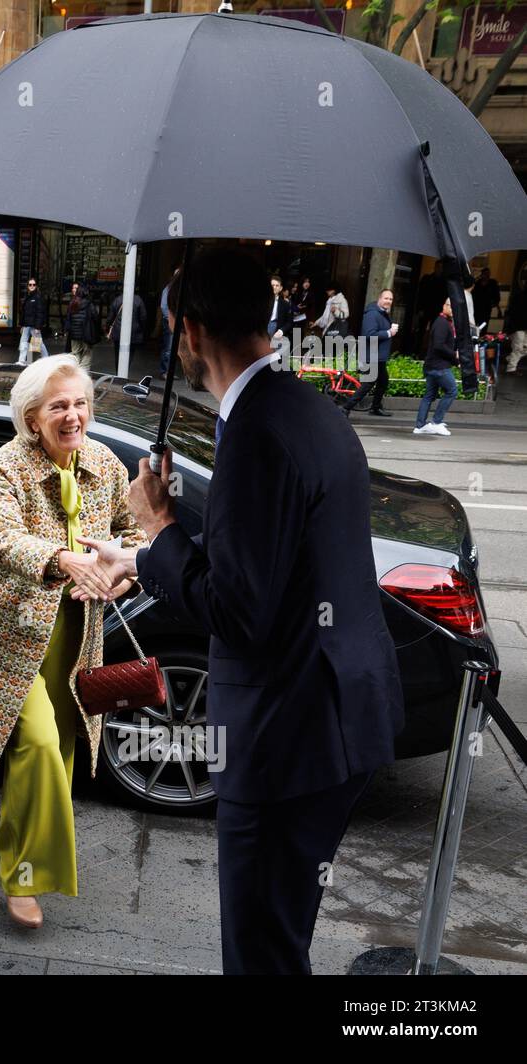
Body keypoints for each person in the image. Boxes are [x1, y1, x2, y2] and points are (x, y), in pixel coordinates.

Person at [85, 248, 404, 974]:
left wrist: (160, 526)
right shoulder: (305, 407)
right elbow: (272, 564)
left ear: (189, 332)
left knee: (261, 953)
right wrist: (140, 561)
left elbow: (239, 610)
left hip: (285, 738)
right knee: (279, 937)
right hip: (336, 717)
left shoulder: (255, 434)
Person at [0, 355, 146, 930]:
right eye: (59, 406)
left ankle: (21, 845)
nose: (73, 415)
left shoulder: (105, 464)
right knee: (35, 744)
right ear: (33, 418)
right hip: (10, 628)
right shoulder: (9, 462)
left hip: (77, 633)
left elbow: (132, 538)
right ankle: (28, 876)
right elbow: (2, 539)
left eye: (80, 403)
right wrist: (64, 560)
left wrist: (119, 576)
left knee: (62, 747)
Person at [342, 289, 399, 418]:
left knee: (383, 381)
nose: (388, 301)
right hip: (371, 355)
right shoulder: (372, 314)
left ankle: (375, 407)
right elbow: (369, 335)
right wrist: (389, 332)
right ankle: (346, 407)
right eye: (386, 298)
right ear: (379, 299)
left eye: (390, 299)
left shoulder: (382, 313)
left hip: (378, 356)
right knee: (368, 383)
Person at [415, 297, 458, 437]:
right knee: (452, 390)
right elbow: (439, 345)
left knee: (429, 396)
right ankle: (436, 422)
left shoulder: (443, 322)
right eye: (450, 305)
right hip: (439, 366)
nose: (452, 308)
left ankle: (420, 426)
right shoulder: (441, 323)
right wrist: (455, 355)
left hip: (433, 365)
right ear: (444, 306)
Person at [64, 283, 98, 368]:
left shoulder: (73, 303)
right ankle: (83, 372)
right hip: (86, 334)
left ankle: (75, 371)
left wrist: (67, 330)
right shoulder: (89, 304)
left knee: (75, 353)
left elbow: (69, 318)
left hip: (74, 334)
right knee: (87, 353)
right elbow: (95, 317)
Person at [17, 277, 49, 363]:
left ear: (36, 286)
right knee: (23, 341)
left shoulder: (38, 297)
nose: (32, 286)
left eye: (33, 285)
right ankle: (22, 360)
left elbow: (40, 313)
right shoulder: (28, 297)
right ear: (27, 286)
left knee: (38, 343)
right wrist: (22, 325)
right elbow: (24, 312)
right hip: (27, 325)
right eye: (30, 284)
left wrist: (38, 327)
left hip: (34, 325)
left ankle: (46, 358)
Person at [108, 290, 146, 358]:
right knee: (130, 355)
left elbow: (110, 317)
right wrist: (141, 329)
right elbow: (143, 317)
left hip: (118, 332)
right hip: (133, 332)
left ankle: (118, 368)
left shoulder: (117, 299)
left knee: (117, 355)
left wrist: (107, 328)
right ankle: (126, 367)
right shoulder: (138, 300)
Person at [471, 267, 500, 334]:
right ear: (482, 274)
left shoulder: (493, 283)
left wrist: (494, 304)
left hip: (486, 309)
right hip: (476, 308)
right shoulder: (477, 283)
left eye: (488, 274)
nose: (486, 275)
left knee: (484, 325)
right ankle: (474, 337)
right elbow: (473, 295)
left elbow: (496, 295)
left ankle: (482, 338)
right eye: (485, 274)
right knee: (474, 324)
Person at [267, 275, 293, 342]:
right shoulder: (263, 302)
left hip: (278, 329)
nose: (274, 287)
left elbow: (290, 322)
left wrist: (282, 330)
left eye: (277, 285)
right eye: (272, 285)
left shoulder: (286, 304)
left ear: (281, 288)